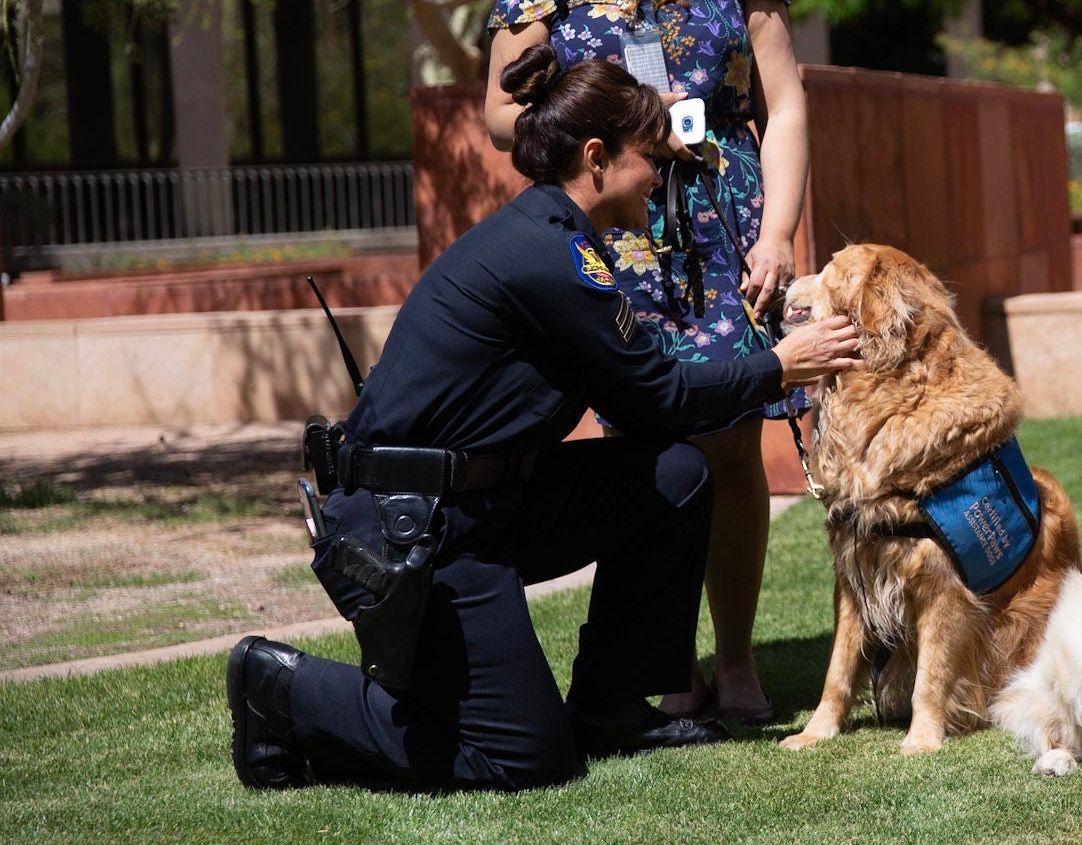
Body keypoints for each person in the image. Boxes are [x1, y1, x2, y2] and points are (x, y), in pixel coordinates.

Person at [225, 54, 861, 794]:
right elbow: (655, 396)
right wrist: (778, 367)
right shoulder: (550, 254)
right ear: (597, 158)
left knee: (676, 475)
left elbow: (640, 403)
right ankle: (277, 684)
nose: (661, 176)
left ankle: (611, 706)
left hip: (485, 505)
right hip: (412, 528)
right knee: (525, 756)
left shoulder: (561, 238)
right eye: (650, 157)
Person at [485, 0, 806, 725]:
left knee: (735, 439)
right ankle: (666, 660)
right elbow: (499, 122)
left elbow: (785, 103)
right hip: (616, 237)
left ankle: (738, 657)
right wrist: (534, 92)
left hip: (724, 230)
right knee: (646, 439)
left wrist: (780, 230)